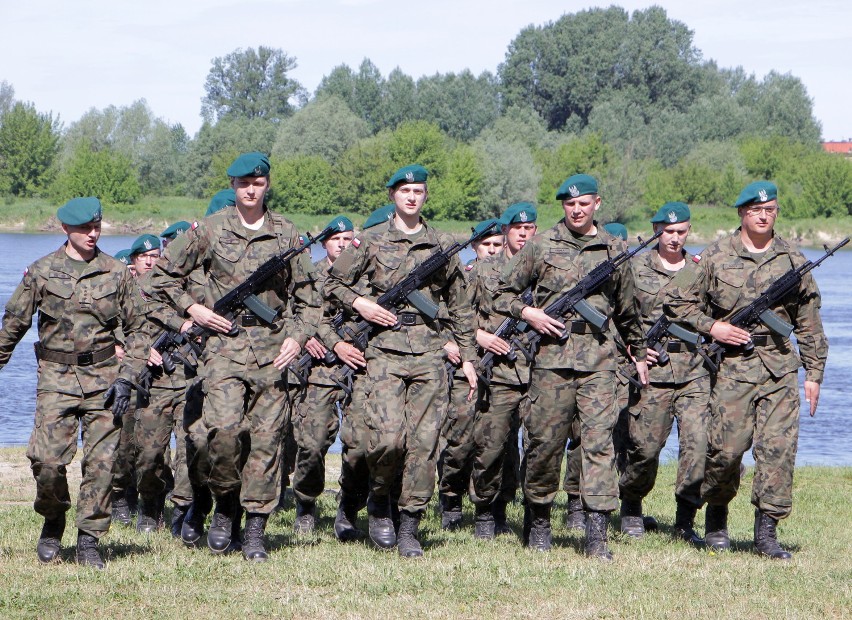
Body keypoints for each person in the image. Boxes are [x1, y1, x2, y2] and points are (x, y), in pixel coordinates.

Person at [145, 152, 313, 561]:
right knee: (221, 432)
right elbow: (160, 276)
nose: (251, 189)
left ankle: (255, 528)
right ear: (234, 187)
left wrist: (298, 335)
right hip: (224, 348)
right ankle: (224, 504)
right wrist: (193, 309)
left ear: (267, 184)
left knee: (267, 440)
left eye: (258, 182)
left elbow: (310, 297)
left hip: (274, 349)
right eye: (243, 183)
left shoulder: (288, 234)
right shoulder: (211, 230)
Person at [664, 181, 828, 559]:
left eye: (770, 209)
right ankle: (717, 517)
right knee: (726, 450)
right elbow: (676, 301)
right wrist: (713, 327)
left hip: (780, 369)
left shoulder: (793, 259)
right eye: (756, 209)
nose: (763, 214)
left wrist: (814, 374)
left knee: (778, 451)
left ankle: (766, 532)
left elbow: (809, 321)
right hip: (733, 369)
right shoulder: (715, 255)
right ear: (742, 212)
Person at [323, 164, 478, 558]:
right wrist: (362, 304)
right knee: (388, 439)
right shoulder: (370, 242)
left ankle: (409, 524)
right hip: (383, 351)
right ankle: (378, 503)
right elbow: (331, 284)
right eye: (405, 190)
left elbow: (461, 305)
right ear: (392, 194)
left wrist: (467, 358)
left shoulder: (443, 244)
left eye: (419, 191)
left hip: (428, 353)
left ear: (426, 196)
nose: (412, 196)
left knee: (424, 444)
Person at [495, 174, 647, 560]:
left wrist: (639, 352)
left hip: (599, 360)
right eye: (569, 204)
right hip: (551, 360)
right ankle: (540, 518)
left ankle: (597, 532)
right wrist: (529, 313)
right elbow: (501, 291)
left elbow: (629, 310)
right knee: (545, 444)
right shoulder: (541, 245)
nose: (576, 210)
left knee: (598, 444)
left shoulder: (615, 249)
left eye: (584, 203)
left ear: (597, 204)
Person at [0, 197, 137, 569]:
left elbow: (140, 329)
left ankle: (89, 538)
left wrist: (128, 377)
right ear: (65, 229)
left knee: (102, 464)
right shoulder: (42, 271)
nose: (92, 234)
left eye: (97, 227)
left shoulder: (117, 272)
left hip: (106, 380)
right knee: (46, 461)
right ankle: (53, 516)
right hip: (56, 380)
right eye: (84, 228)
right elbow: (13, 325)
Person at [617, 203, 710, 545]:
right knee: (644, 448)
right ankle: (631, 505)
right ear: (656, 230)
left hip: (693, 372)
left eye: (681, 232)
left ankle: (685, 520)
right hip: (650, 373)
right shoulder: (635, 266)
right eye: (668, 231)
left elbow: (716, 315)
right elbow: (617, 315)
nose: (674, 238)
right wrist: (633, 348)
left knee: (698, 444)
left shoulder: (700, 270)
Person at [468, 203, 538, 539]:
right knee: (492, 445)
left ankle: (528, 511)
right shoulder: (483, 270)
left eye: (529, 229)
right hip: (497, 371)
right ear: (506, 231)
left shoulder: (545, 269)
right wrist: (481, 336)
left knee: (537, 444)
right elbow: (455, 315)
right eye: (517, 229)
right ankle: (485, 509)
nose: (523, 234)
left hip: (539, 370)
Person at [117, 234, 192, 534]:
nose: (151, 260)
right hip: (153, 384)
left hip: (188, 379)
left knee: (189, 451)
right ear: (135, 260)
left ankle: (184, 512)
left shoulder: (187, 287)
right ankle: (150, 505)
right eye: (144, 256)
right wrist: (139, 349)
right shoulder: (130, 291)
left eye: (156, 255)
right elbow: (113, 328)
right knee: (148, 455)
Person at [289, 215, 355, 535]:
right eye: (336, 239)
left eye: (347, 239)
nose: (342, 244)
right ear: (325, 243)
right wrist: (308, 337)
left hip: (359, 366)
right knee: (312, 443)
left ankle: (348, 505)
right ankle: (305, 503)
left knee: (361, 444)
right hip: (320, 370)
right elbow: (290, 314)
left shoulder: (366, 274)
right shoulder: (309, 274)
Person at [437, 216, 504, 531]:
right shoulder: (462, 278)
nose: (492, 251)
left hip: (501, 373)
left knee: (491, 445)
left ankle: (485, 510)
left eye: (497, 245)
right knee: (459, 442)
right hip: (466, 369)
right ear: (475, 246)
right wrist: (476, 338)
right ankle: (450, 499)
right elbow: (445, 317)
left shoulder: (511, 277)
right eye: (486, 245)